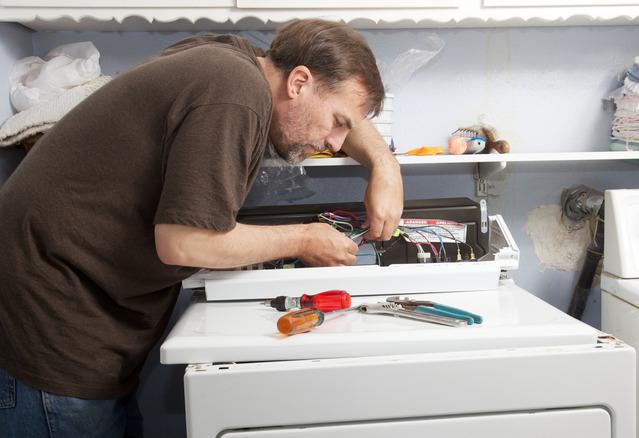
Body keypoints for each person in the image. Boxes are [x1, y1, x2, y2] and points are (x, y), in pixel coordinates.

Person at [0, 19, 403, 437]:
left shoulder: (238, 62)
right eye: (336, 122)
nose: (336, 143)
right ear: (298, 82)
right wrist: (302, 238)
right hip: (51, 316)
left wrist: (385, 164)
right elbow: (184, 243)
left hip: (75, 306)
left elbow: (337, 98)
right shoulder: (235, 94)